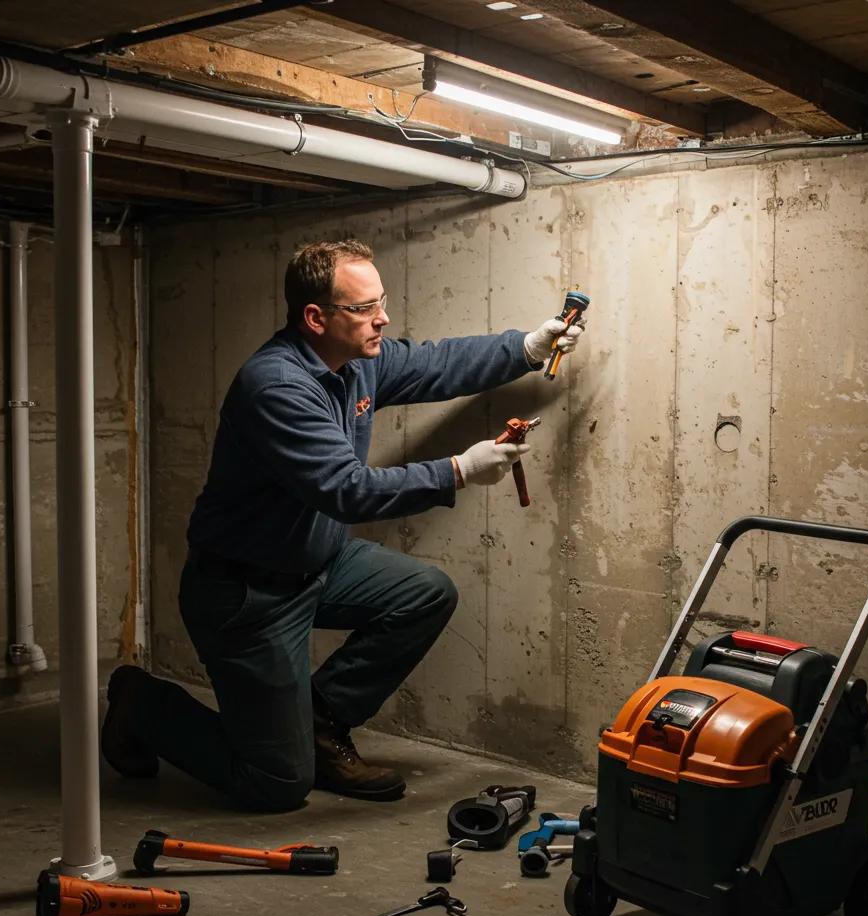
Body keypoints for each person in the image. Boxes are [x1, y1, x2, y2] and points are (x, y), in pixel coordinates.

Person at [101, 238, 584, 811]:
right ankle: (140, 703)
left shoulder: (355, 363)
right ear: (316, 317)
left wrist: (527, 347)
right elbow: (347, 491)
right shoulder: (278, 386)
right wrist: (458, 470)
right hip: (248, 591)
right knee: (276, 784)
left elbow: (436, 363)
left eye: (381, 302)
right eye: (364, 308)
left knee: (424, 594)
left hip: (316, 561)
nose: (382, 318)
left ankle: (319, 724)